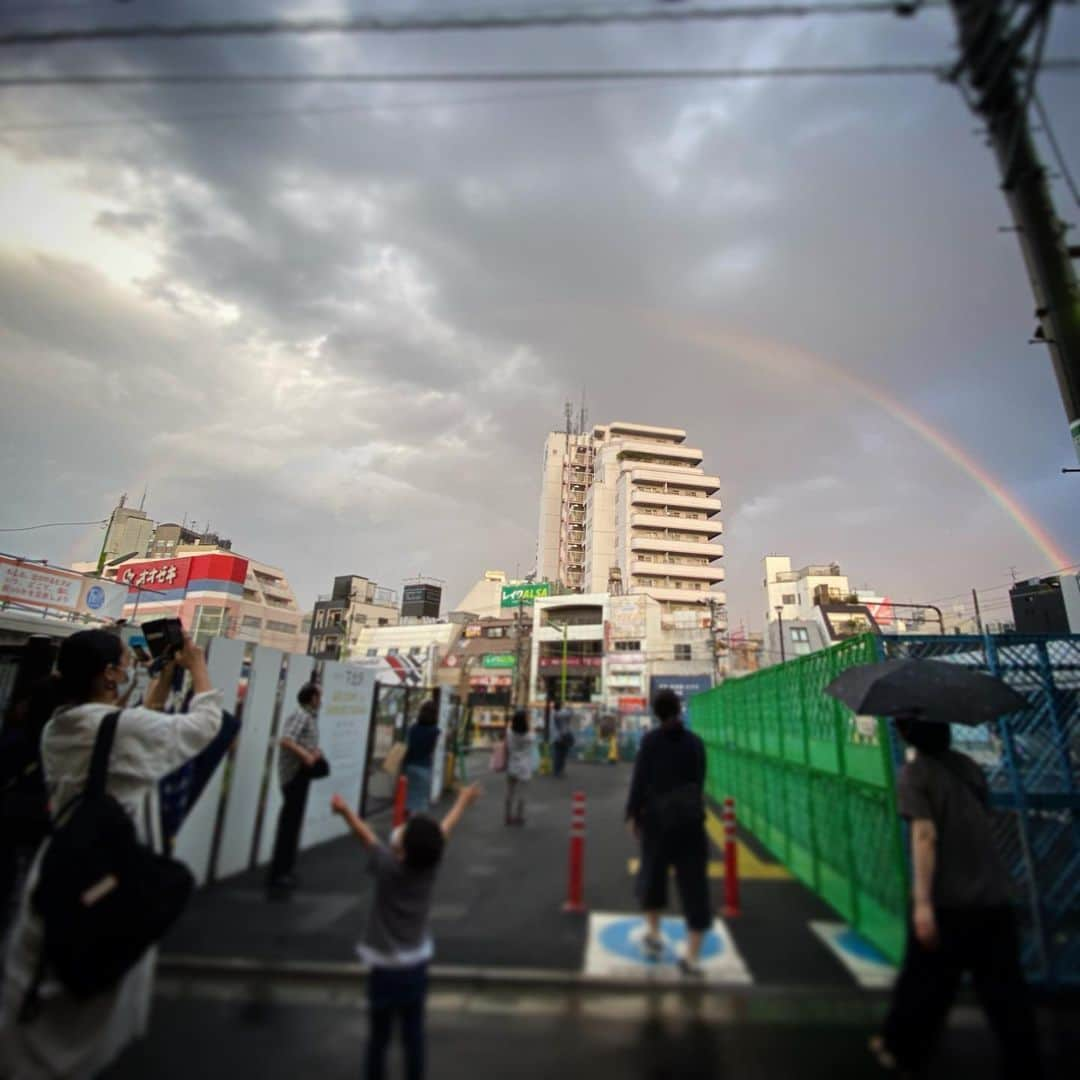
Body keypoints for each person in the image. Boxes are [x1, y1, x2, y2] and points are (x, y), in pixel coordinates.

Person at [0, 628, 222, 1079]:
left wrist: (159, 677)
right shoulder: (116, 728)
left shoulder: (62, 724)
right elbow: (204, 726)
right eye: (124, 661)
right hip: (105, 871)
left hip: (62, 865)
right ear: (109, 674)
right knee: (85, 990)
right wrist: (197, 666)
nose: (128, 667)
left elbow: (132, 725)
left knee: (42, 990)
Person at [871, 715, 1043, 1079]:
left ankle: (900, 1049)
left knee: (924, 983)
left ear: (905, 734)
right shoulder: (969, 768)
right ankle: (1024, 1062)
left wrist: (922, 903)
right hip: (993, 895)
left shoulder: (916, 775)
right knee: (1004, 991)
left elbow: (925, 837)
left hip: (949, 899)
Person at [330, 782, 482, 1080]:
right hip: (415, 965)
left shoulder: (387, 867)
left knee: (379, 1037)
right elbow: (443, 832)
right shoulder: (429, 867)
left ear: (399, 851)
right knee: (413, 1037)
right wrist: (462, 803)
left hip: (383, 967)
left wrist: (345, 811)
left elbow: (366, 837)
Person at [625, 688, 711, 977]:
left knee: (653, 874)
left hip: (657, 822)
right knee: (694, 884)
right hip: (690, 820)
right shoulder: (695, 743)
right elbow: (699, 780)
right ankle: (693, 955)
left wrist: (633, 814)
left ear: (655, 712)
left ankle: (654, 934)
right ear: (679, 709)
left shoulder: (650, 742)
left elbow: (639, 781)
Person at [267, 681, 324, 896]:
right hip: (293, 776)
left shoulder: (309, 717)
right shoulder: (301, 715)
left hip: (299, 774)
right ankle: (278, 874)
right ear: (312, 698)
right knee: (289, 825)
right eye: (319, 696)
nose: (322, 700)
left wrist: (314, 752)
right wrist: (307, 756)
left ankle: (285, 871)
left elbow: (297, 741)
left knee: (292, 824)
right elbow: (287, 740)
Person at [402, 701, 439, 817]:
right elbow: (431, 750)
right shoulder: (435, 731)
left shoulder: (412, 728)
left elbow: (407, 746)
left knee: (408, 796)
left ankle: (406, 825)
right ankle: (417, 826)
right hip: (424, 766)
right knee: (421, 798)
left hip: (409, 766)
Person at [504, 709, 534, 826]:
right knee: (522, 794)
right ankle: (519, 817)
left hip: (512, 765)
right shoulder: (529, 736)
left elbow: (506, 747)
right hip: (524, 767)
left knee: (510, 792)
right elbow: (532, 737)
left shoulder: (509, 733)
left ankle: (507, 816)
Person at [551, 698, 574, 778]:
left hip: (556, 738)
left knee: (557, 755)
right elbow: (570, 713)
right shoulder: (560, 714)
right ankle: (559, 771)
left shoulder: (554, 713)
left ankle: (557, 771)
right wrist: (569, 705)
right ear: (560, 707)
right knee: (562, 755)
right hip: (562, 737)